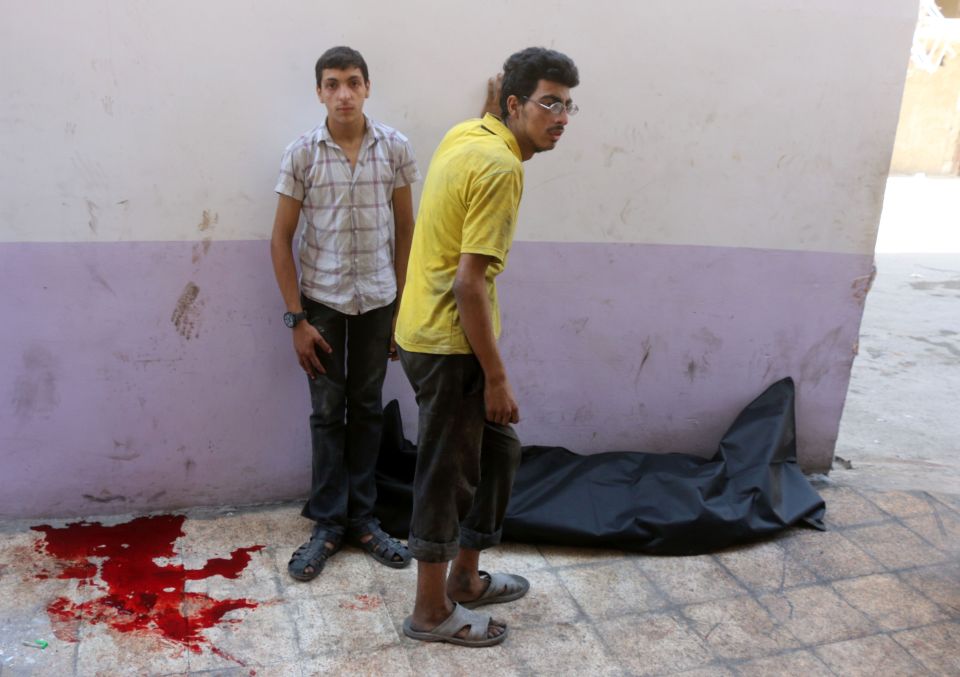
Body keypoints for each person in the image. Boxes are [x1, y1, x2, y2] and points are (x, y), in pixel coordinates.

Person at [394, 47, 580, 646]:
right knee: (446, 474)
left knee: (499, 454)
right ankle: (429, 612)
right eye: (548, 102)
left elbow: (491, 112)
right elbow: (469, 283)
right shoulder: (502, 169)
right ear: (514, 105)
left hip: (426, 332)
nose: (561, 117)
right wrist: (497, 378)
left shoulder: (468, 134)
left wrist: (502, 93)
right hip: (450, 343)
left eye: (568, 104)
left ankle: (465, 580)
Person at [270, 46, 420, 581]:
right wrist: (297, 319)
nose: (343, 94)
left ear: (367, 87)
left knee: (368, 407)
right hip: (323, 305)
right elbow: (281, 239)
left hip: (379, 300)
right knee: (327, 411)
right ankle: (328, 525)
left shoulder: (394, 149)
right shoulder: (303, 154)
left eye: (353, 82)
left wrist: (403, 308)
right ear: (319, 92)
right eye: (332, 84)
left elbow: (407, 232)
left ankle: (364, 520)